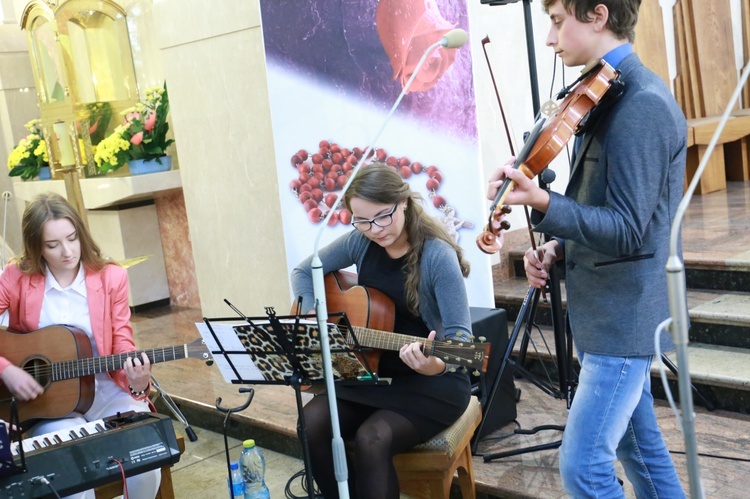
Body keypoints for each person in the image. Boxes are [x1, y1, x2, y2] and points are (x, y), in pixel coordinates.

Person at [487, 1, 687, 497]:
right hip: (606, 312)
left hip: (625, 317)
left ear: (598, 16)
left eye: (557, 21)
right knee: (640, 453)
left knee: (583, 468)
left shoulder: (640, 103)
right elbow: (602, 208)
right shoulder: (604, 96)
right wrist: (557, 244)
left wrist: (544, 202)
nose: (551, 39)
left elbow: (628, 229)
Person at [291, 162, 473, 499]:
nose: (374, 229)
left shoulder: (437, 256)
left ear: (403, 202)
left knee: (373, 437)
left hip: (431, 383)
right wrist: (316, 317)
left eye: (383, 216)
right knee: (312, 424)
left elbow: (461, 343)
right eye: (362, 220)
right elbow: (304, 271)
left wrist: (435, 364)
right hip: (369, 373)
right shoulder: (361, 241)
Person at [0, 192, 160, 499]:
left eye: (72, 238)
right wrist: (7, 370)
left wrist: (138, 384)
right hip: (46, 404)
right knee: (73, 478)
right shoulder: (16, 278)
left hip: (105, 391)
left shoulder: (111, 277)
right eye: (52, 244)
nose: (67, 251)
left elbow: (123, 342)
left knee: (146, 454)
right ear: (36, 247)